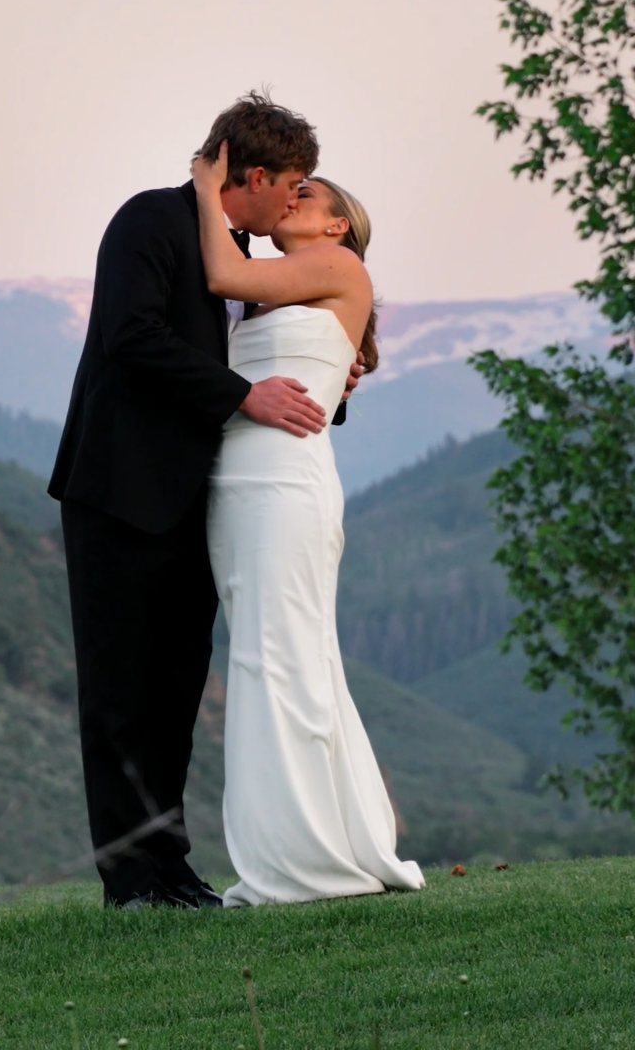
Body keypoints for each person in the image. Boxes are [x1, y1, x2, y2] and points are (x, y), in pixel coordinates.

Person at [47, 93, 338, 909]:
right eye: (292, 183)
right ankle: (128, 881)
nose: (296, 200)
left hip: (197, 505)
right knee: (118, 696)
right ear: (251, 173)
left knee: (175, 693)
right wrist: (243, 397)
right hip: (118, 493)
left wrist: (325, 386)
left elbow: (268, 355)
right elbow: (132, 336)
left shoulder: (232, 249)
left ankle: (171, 869)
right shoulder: (147, 220)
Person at [189, 145, 422, 905]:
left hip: (286, 486)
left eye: (307, 191)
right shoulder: (270, 297)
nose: (290, 197)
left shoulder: (338, 271)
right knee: (273, 656)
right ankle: (327, 842)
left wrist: (203, 185)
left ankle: (302, 862)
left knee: (279, 660)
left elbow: (220, 271)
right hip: (234, 486)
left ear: (337, 228)